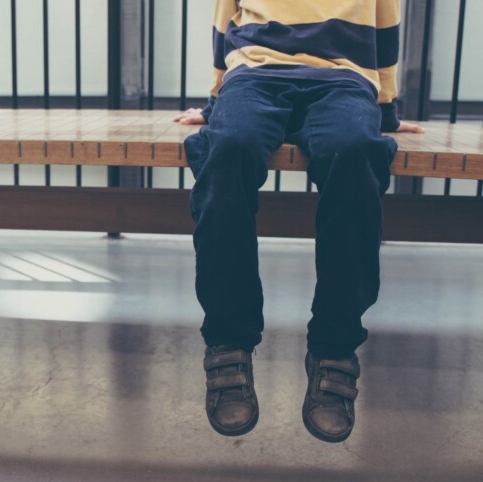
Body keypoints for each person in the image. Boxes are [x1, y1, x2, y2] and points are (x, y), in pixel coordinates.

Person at [174, 0, 424, 442]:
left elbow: (385, 29)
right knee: (226, 150)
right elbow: (222, 22)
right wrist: (215, 103)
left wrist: (385, 112)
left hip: (344, 81)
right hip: (253, 76)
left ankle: (335, 348)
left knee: (356, 153)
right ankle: (229, 341)